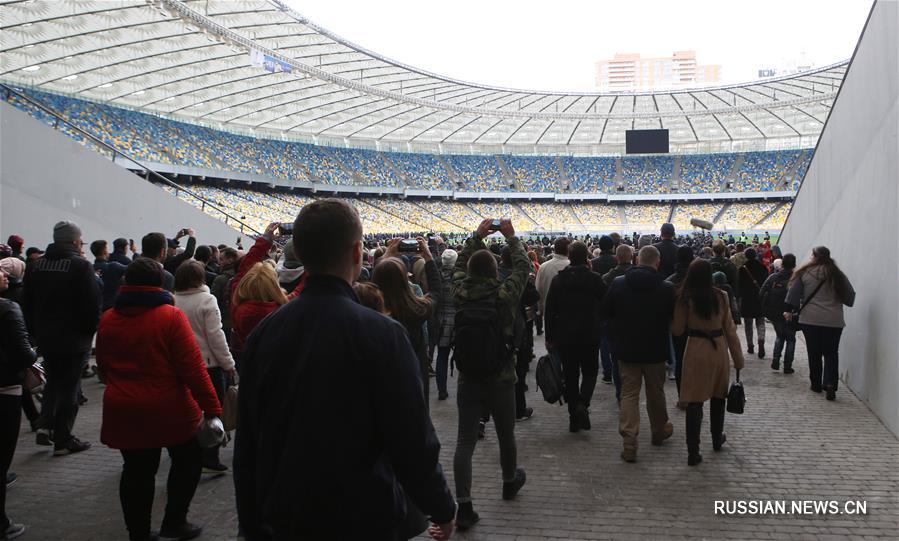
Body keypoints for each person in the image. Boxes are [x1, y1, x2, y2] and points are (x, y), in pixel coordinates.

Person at [234, 199, 456, 541]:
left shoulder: (266, 332)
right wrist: (442, 508)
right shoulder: (383, 334)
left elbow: (248, 446)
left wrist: (250, 524)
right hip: (366, 516)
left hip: (288, 516)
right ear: (356, 252)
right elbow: (412, 441)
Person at [96, 258, 222, 541]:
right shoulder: (170, 316)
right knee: (187, 461)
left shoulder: (108, 318)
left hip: (124, 407)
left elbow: (103, 367)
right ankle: (175, 521)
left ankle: (138, 533)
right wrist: (213, 407)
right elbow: (193, 368)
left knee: (137, 472)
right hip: (170, 407)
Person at [451, 218, 529, 530]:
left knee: (464, 441)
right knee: (506, 434)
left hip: (469, 376)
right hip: (502, 375)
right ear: (495, 272)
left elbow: (457, 263)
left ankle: (464, 506)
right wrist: (511, 237)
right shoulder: (504, 294)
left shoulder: (458, 290)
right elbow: (523, 267)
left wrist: (476, 237)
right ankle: (509, 481)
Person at [23, 220, 100, 455]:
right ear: (75, 241)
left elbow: (27, 303)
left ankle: (45, 425)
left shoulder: (37, 265)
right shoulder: (80, 266)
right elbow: (92, 305)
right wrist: (88, 332)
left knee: (53, 382)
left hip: (46, 337)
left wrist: (35, 332)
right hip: (74, 340)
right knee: (69, 388)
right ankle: (63, 438)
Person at [602, 246, 675, 463]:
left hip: (627, 349)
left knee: (629, 394)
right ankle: (659, 430)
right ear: (657, 262)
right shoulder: (666, 288)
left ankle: (630, 441)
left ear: (636, 260)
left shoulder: (618, 284)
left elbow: (605, 313)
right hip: (655, 350)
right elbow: (673, 320)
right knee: (656, 393)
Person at [672, 260, 745, 466]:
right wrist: (738, 359)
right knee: (718, 396)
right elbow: (730, 330)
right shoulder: (721, 296)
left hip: (695, 348)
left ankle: (693, 451)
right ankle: (716, 438)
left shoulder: (684, 298)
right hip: (718, 349)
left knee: (694, 401)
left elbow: (677, 330)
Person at [173, 260, 236, 473]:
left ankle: (188, 451)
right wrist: (228, 363)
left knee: (187, 411)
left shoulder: (172, 300)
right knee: (212, 410)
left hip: (180, 365)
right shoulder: (207, 300)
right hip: (208, 364)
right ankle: (210, 456)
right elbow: (216, 336)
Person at [544, 241, 606, 432]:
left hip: (566, 336)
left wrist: (549, 336)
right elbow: (606, 304)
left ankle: (573, 418)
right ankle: (583, 404)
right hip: (590, 334)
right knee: (590, 372)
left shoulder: (558, 280)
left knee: (570, 376)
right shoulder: (595, 279)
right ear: (586, 257)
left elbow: (550, 311)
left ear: (570, 257)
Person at [372, 237, 442, 405]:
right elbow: (435, 291)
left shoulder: (371, 312)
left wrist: (387, 255)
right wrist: (429, 258)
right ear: (406, 281)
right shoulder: (416, 310)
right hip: (413, 386)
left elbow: (374, 285)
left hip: (382, 390)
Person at [785, 246, 855, 400]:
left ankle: (816, 384)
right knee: (831, 353)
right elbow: (850, 298)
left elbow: (792, 297)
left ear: (814, 257)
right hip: (834, 321)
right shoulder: (837, 274)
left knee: (814, 352)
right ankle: (830, 384)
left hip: (810, 320)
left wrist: (791, 309)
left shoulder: (804, 273)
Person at [229, 224, 304, 363]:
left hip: (246, 362)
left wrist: (264, 241)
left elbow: (244, 267)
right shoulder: (282, 309)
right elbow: (304, 285)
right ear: (274, 286)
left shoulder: (237, 303)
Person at [0, 269, 36, 541]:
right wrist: (37, 353)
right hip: (5, 387)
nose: (4, 273)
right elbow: (24, 353)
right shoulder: (8, 309)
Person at [760, 254, 797, 373]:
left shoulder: (773, 277)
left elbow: (762, 292)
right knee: (791, 339)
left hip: (775, 312)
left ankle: (776, 359)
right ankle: (787, 365)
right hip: (792, 311)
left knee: (780, 336)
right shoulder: (797, 278)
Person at [435, 249, 458, 401]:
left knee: (442, 357)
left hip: (441, 320)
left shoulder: (437, 276)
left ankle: (441, 390)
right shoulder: (459, 277)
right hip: (458, 320)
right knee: (463, 356)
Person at [737, 248, 769, 357]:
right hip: (759, 298)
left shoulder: (742, 269)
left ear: (746, 256)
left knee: (748, 324)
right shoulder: (763, 267)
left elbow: (739, 287)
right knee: (760, 322)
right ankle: (761, 340)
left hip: (747, 299)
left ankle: (750, 345)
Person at [535, 237, 570, 317]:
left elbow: (538, 289)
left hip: (548, 312)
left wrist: (540, 310)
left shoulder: (543, 267)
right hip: (568, 314)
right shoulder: (571, 265)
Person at [90, 240, 129, 312]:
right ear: (105, 251)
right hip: (112, 308)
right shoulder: (113, 266)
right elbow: (135, 268)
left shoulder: (90, 269)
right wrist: (136, 254)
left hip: (95, 308)